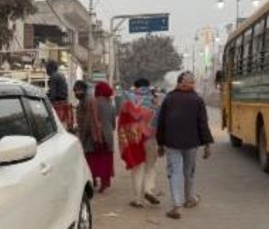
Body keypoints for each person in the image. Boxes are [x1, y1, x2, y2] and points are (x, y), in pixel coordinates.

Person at [156, 70, 213, 220]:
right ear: (193, 84)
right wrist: (207, 144)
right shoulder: (197, 99)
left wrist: (160, 143)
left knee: (175, 172)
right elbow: (203, 124)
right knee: (189, 172)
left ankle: (176, 205)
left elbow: (161, 123)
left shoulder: (169, 99)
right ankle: (189, 199)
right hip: (191, 142)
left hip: (172, 142)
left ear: (178, 83)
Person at [117, 78, 160, 208]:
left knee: (137, 168)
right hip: (151, 139)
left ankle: (137, 200)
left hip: (135, 139)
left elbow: (122, 119)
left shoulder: (128, 99)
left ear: (135, 87)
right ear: (148, 86)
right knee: (150, 167)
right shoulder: (155, 100)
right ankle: (149, 190)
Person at [73, 80, 104, 186]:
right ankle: (93, 178)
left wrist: (83, 136)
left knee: (89, 159)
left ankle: (92, 179)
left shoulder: (87, 100)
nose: (76, 93)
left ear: (84, 90)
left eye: (78, 90)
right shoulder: (84, 99)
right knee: (90, 158)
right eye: (75, 91)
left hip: (89, 134)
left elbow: (87, 119)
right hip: (88, 133)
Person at [88, 81, 116, 192]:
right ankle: (105, 182)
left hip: (97, 135)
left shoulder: (95, 102)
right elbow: (113, 124)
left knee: (94, 159)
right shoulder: (111, 103)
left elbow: (93, 120)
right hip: (109, 135)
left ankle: (94, 179)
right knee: (106, 160)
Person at [45, 60, 73, 129]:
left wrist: (47, 102)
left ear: (50, 68)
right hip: (63, 102)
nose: (46, 71)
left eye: (46, 68)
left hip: (58, 104)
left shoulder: (54, 77)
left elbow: (53, 95)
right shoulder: (60, 75)